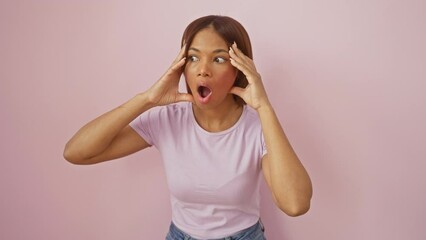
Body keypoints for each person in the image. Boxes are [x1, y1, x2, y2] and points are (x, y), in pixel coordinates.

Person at [64, 15, 312, 240]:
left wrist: (265, 108)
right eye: (193, 58)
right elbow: (76, 152)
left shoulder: (257, 126)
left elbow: (295, 204)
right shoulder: (168, 119)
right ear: (182, 66)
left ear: (239, 70)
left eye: (218, 59)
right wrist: (147, 99)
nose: (203, 70)